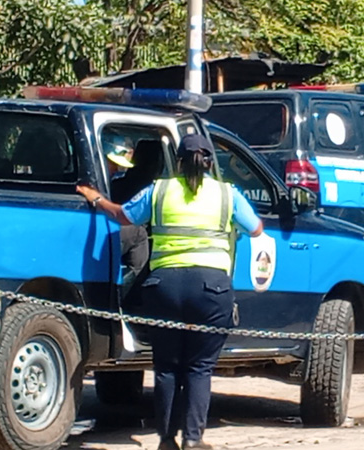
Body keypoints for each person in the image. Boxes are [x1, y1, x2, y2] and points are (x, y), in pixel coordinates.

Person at [77, 134, 263, 450]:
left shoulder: (159, 190)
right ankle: (193, 439)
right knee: (199, 367)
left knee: (166, 367)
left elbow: (122, 216)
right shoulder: (227, 195)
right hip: (211, 288)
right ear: (208, 161)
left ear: (177, 161)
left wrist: (95, 198)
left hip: (165, 287)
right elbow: (256, 228)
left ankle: (166, 440)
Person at [103, 135, 149, 277]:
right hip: (102, 227)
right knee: (138, 233)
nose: (116, 169)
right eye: (112, 163)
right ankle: (132, 289)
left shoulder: (113, 183)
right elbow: (123, 216)